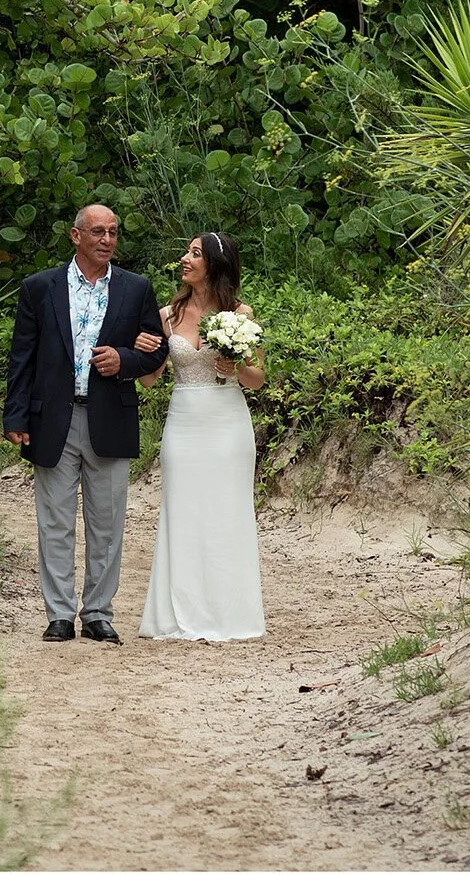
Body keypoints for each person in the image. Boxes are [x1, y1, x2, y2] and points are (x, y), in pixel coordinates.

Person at [3, 205, 167, 643]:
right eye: (98, 231)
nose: (107, 239)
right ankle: (59, 614)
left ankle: (97, 612)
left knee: (107, 522)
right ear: (75, 236)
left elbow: (156, 351)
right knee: (55, 521)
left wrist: (124, 359)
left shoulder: (136, 289)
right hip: (52, 415)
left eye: (113, 232)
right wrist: (15, 415)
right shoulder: (40, 287)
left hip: (110, 416)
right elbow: (23, 355)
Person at [139, 231, 266, 641]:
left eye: (194, 253)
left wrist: (235, 369)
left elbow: (258, 379)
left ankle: (230, 613)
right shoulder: (167, 315)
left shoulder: (240, 314)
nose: (184, 259)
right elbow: (147, 380)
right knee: (183, 510)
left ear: (214, 263)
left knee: (226, 512)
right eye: (187, 252)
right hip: (183, 421)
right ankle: (177, 612)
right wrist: (142, 349)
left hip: (227, 422)